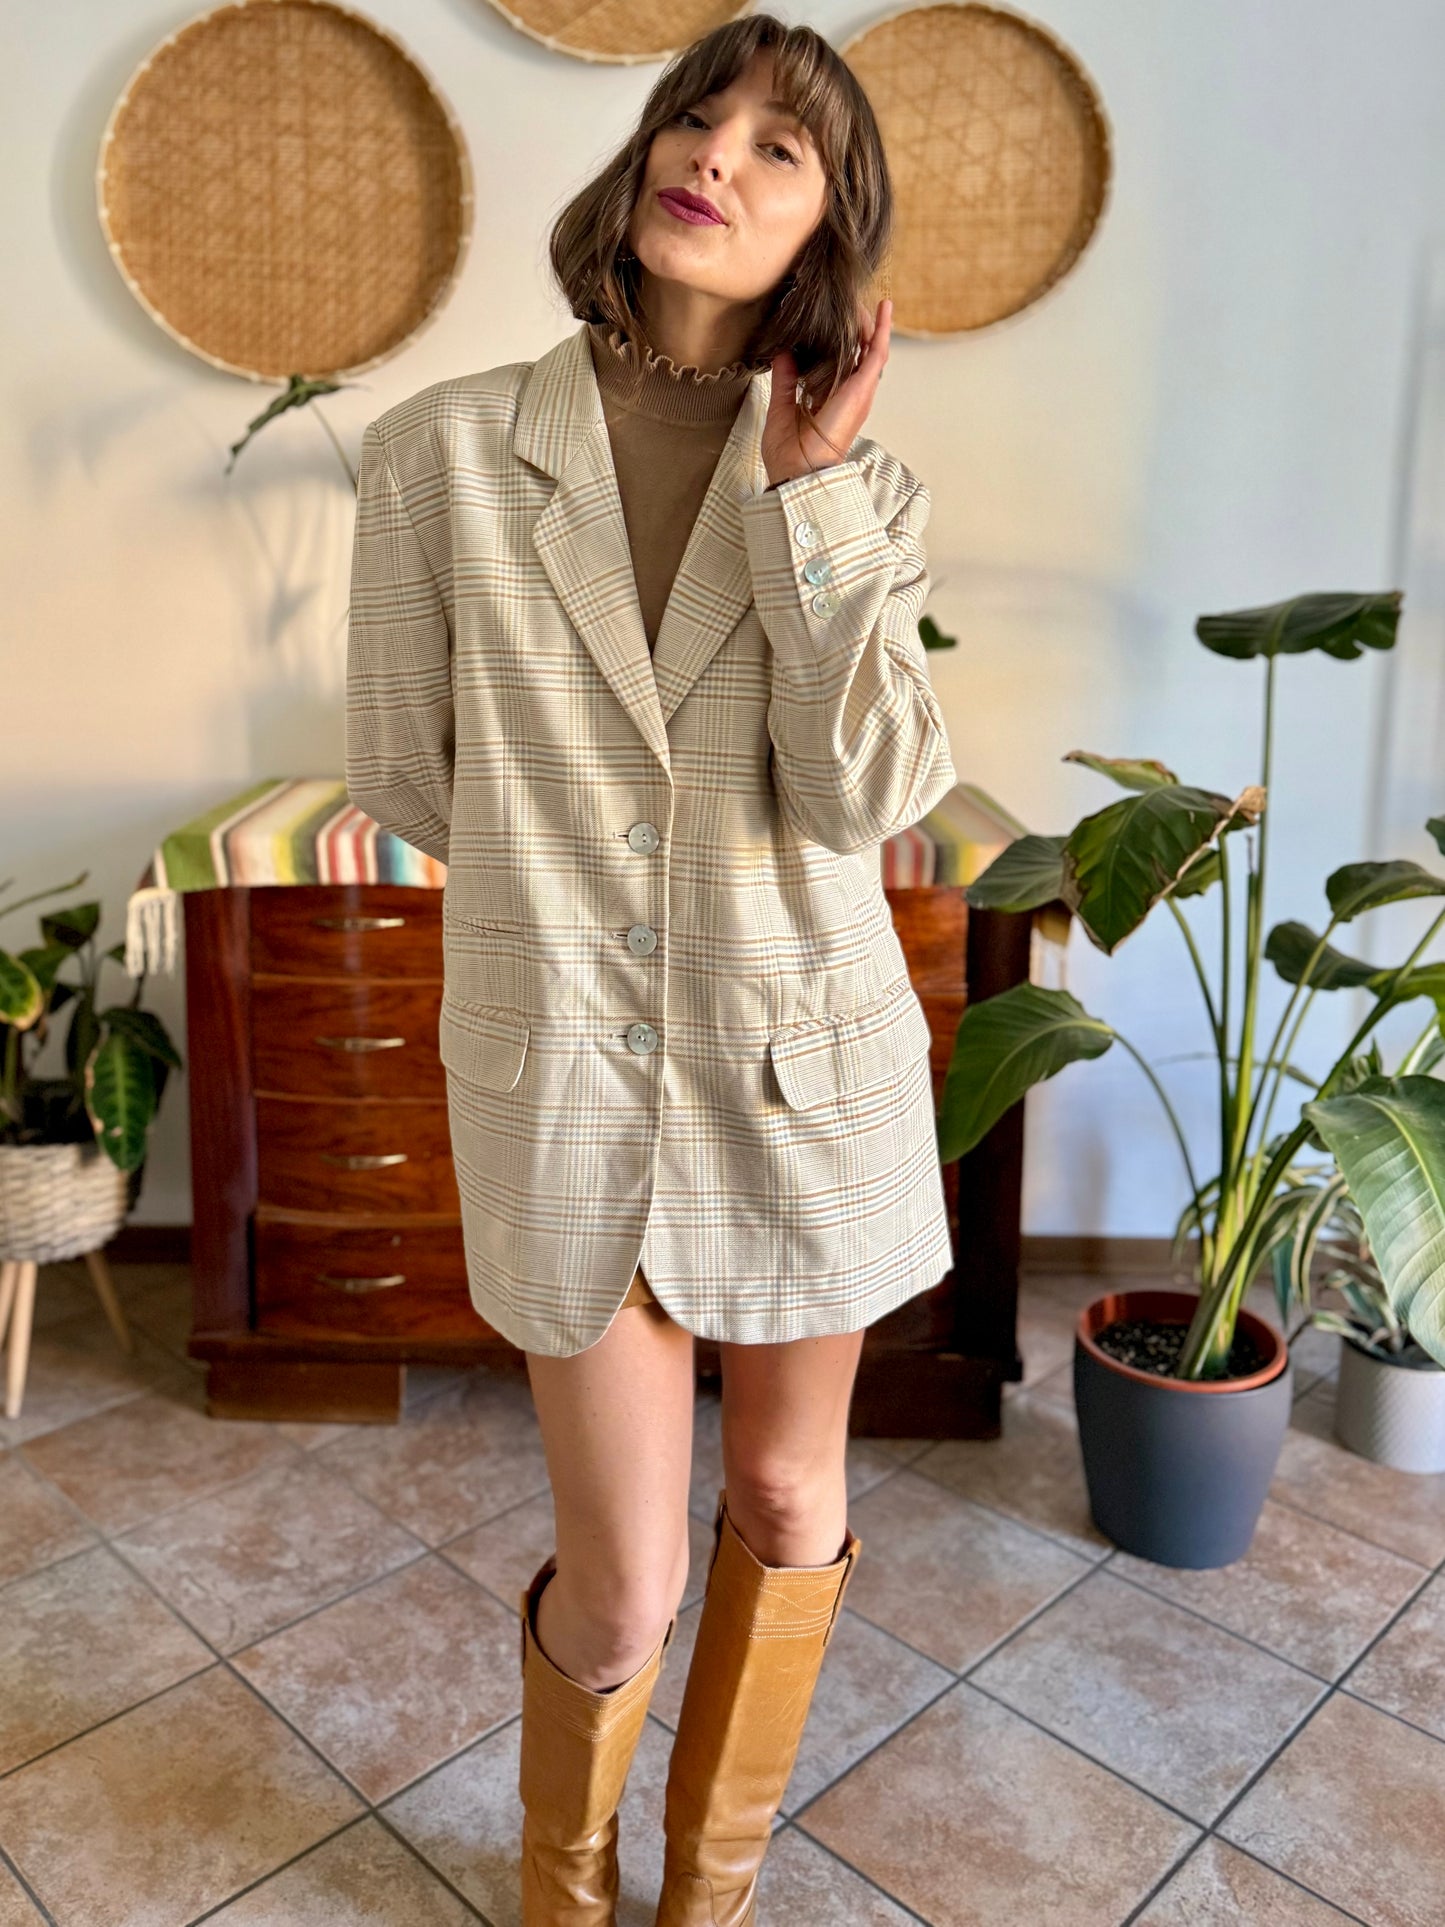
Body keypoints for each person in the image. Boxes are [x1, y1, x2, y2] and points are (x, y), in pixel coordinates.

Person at [346, 14, 955, 1923]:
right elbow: (412, 769)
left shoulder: (858, 489)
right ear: (638, 161)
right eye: (699, 118)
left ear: (823, 236)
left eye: (783, 150)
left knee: (786, 1504)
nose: (720, 155)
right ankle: (565, 1889)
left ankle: (711, 1892)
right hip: (565, 1080)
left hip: (806, 1069)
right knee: (622, 1583)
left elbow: (862, 788)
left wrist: (805, 500)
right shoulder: (437, 455)